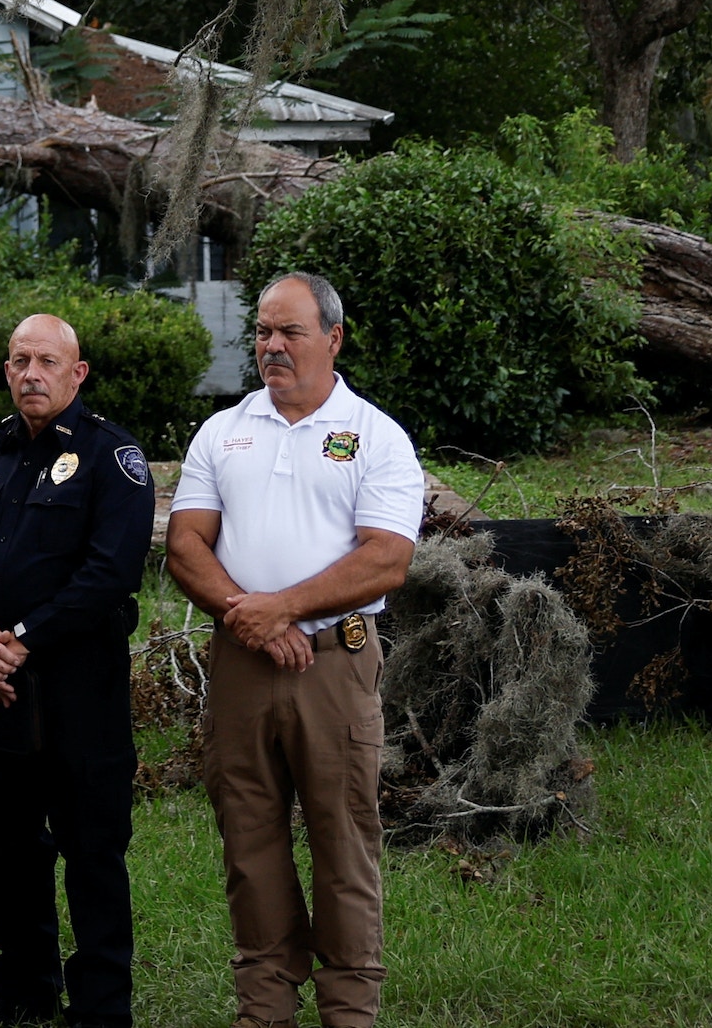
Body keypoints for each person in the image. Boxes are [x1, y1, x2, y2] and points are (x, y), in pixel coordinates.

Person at [166, 273, 420, 1028]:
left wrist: (286, 607)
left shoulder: (375, 435)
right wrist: (261, 621)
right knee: (250, 840)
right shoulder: (224, 431)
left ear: (333, 339)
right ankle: (265, 1008)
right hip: (244, 663)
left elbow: (387, 560)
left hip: (336, 665)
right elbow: (185, 545)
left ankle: (348, 1011)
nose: (272, 347)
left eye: (291, 333)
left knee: (343, 836)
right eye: (264, 333)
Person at [0, 314, 151, 1028]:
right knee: (4, 844)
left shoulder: (112, 457)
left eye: (47, 361)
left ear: (76, 374)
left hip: (80, 690)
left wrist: (18, 638)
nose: (31, 373)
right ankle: (23, 990)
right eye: (20, 360)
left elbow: (109, 572)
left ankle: (101, 1008)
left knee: (92, 848)